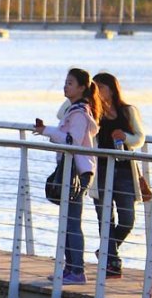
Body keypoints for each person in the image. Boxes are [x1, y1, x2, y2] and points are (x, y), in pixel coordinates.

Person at [34, 67, 102, 284]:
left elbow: (72, 141)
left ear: (82, 88)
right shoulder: (74, 110)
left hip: (78, 172)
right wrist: (47, 130)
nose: (65, 86)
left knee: (72, 221)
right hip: (73, 169)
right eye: (65, 82)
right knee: (67, 220)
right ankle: (70, 268)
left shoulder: (80, 113)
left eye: (70, 83)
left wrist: (48, 131)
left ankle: (77, 271)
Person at [91, 71, 145, 278]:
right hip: (100, 170)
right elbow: (62, 114)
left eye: (101, 87)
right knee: (105, 217)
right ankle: (112, 261)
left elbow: (139, 138)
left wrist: (125, 137)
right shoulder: (91, 111)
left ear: (112, 89)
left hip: (124, 170)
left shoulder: (127, 111)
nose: (97, 91)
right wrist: (83, 96)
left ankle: (105, 252)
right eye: (94, 87)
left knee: (127, 219)